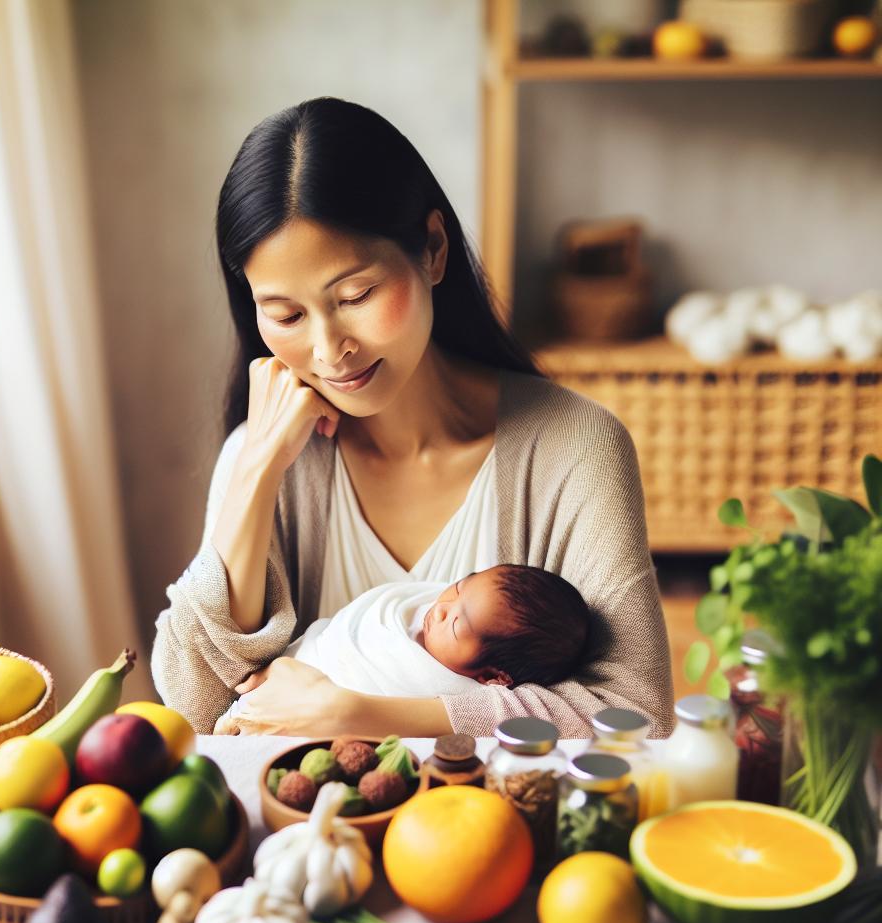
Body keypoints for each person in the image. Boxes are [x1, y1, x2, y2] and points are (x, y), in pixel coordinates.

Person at [152, 96, 673, 738]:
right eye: (286, 316)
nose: (327, 349)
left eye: (356, 295)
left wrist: (364, 717)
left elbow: (640, 718)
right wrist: (256, 469)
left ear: (432, 249)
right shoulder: (265, 456)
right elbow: (195, 712)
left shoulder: (574, 448)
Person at [213, 564, 591, 733]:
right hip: (292, 670)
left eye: (457, 625)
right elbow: (343, 630)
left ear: (492, 676)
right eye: (459, 587)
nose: (440, 608)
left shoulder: (453, 696)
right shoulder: (408, 609)